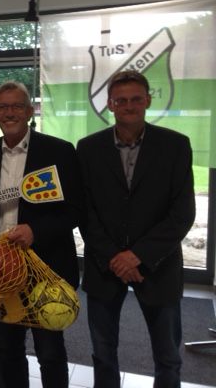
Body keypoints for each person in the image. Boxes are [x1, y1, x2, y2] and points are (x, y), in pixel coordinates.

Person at [0, 81, 84, 388]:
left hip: (46, 268)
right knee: (8, 350)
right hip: (1, 270)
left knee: (50, 352)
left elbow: (77, 209)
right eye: (2, 107)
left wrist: (35, 231)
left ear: (30, 111)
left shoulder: (59, 150)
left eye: (17, 106)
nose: (9, 113)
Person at [77, 69, 195, 388]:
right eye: (121, 100)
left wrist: (137, 256)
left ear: (148, 101)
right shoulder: (88, 148)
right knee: (103, 354)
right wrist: (115, 257)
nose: (128, 106)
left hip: (159, 266)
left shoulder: (175, 146)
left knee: (168, 358)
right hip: (104, 265)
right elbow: (85, 212)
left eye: (135, 99)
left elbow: (182, 214)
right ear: (110, 104)